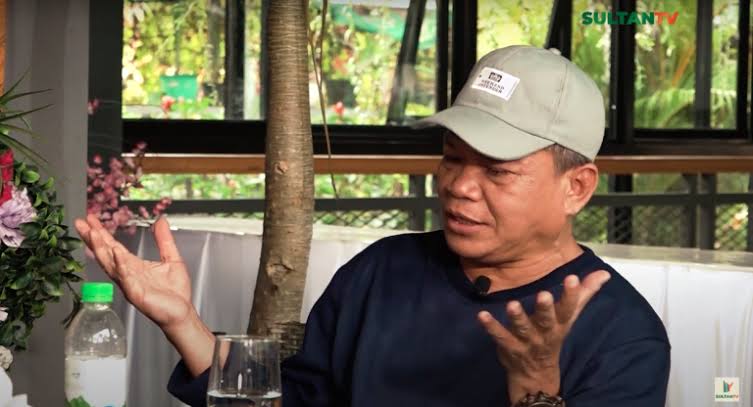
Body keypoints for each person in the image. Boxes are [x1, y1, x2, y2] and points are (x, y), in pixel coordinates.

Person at [75, 46, 670, 407]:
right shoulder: (383, 271)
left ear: (576, 187)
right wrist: (183, 322)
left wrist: (536, 386)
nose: (460, 185)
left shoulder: (623, 333)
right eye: (452, 158)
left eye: (497, 170)